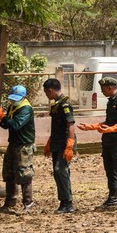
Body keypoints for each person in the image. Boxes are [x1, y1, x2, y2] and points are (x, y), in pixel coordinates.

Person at [78, 77, 117, 209]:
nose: (102, 92)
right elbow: (107, 122)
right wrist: (92, 126)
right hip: (107, 141)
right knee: (110, 171)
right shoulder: (110, 102)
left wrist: (113, 128)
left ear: (110, 87)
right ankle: (112, 199)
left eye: (103, 89)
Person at [0, 85, 35, 213]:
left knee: (24, 174)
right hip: (13, 144)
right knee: (9, 173)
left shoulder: (26, 109)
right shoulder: (12, 107)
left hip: (24, 145)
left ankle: (28, 204)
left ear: (23, 97)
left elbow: (15, 125)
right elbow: (7, 125)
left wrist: (2, 116)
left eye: (16, 98)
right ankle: (9, 202)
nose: (14, 101)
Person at [42, 78, 76, 214]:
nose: (46, 95)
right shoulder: (57, 105)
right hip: (57, 143)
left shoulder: (64, 105)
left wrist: (70, 144)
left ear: (50, 90)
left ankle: (67, 203)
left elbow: (71, 125)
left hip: (64, 143)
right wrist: (49, 143)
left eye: (46, 93)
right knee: (59, 173)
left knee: (61, 171)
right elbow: (56, 127)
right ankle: (64, 201)